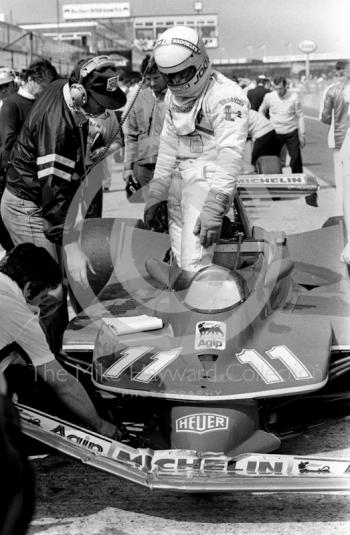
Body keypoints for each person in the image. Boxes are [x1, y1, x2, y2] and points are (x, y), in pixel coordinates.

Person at [0, 56, 126, 349]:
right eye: (100, 101)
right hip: (30, 207)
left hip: (41, 200)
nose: (104, 109)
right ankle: (47, 363)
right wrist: (72, 247)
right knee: (51, 292)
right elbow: (54, 195)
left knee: (68, 282)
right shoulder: (58, 125)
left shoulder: (62, 87)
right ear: (80, 91)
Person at [143, 26, 249, 286]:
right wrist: (157, 191)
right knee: (180, 263)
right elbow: (168, 145)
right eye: (171, 76)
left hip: (208, 184)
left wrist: (215, 206)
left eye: (183, 74)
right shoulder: (171, 96)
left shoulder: (227, 96)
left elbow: (230, 155)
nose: (177, 81)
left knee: (194, 264)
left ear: (199, 61)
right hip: (179, 183)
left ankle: (205, 316)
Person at [0, 243, 121, 440]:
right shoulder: (20, 315)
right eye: (43, 296)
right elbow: (63, 384)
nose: (44, 301)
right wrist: (100, 425)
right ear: (29, 288)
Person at [0, 60, 58, 252]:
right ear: (32, 80)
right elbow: (8, 141)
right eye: (44, 86)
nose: (46, 91)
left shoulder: (42, 103)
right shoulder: (12, 104)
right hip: (19, 180)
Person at [123, 56, 168, 201]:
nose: (152, 83)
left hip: (167, 165)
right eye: (148, 79)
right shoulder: (140, 97)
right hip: (143, 167)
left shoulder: (175, 98)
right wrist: (128, 167)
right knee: (151, 211)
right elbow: (131, 136)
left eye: (156, 78)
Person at [320, 59, 350, 212]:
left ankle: (343, 218)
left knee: (342, 183)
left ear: (337, 72)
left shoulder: (331, 90)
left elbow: (325, 117)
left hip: (340, 140)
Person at [259, 76, 305, 173]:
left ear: (285, 86)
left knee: (296, 157)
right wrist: (264, 125)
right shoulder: (269, 97)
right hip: (275, 131)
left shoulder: (294, 97)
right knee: (273, 158)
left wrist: (302, 134)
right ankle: (274, 179)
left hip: (291, 131)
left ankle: (298, 179)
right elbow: (261, 111)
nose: (279, 91)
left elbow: (300, 116)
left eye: (280, 88)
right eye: (276, 89)